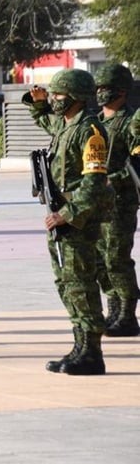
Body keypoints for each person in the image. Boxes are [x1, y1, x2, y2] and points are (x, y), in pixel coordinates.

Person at [24, 68, 113, 375]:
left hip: (77, 222)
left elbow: (94, 183)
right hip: (60, 219)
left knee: (82, 284)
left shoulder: (91, 132)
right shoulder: (66, 127)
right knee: (67, 284)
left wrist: (68, 214)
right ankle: (79, 345)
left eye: (59, 95)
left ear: (75, 97)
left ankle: (92, 351)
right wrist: (38, 104)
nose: (54, 100)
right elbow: (46, 119)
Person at [94, 64, 139, 337]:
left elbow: (138, 161)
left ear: (122, 91)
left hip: (121, 202)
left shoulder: (132, 121)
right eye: (98, 88)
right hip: (96, 203)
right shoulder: (96, 122)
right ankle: (112, 309)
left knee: (117, 259)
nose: (101, 93)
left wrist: (115, 178)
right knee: (100, 260)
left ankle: (127, 314)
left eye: (106, 88)